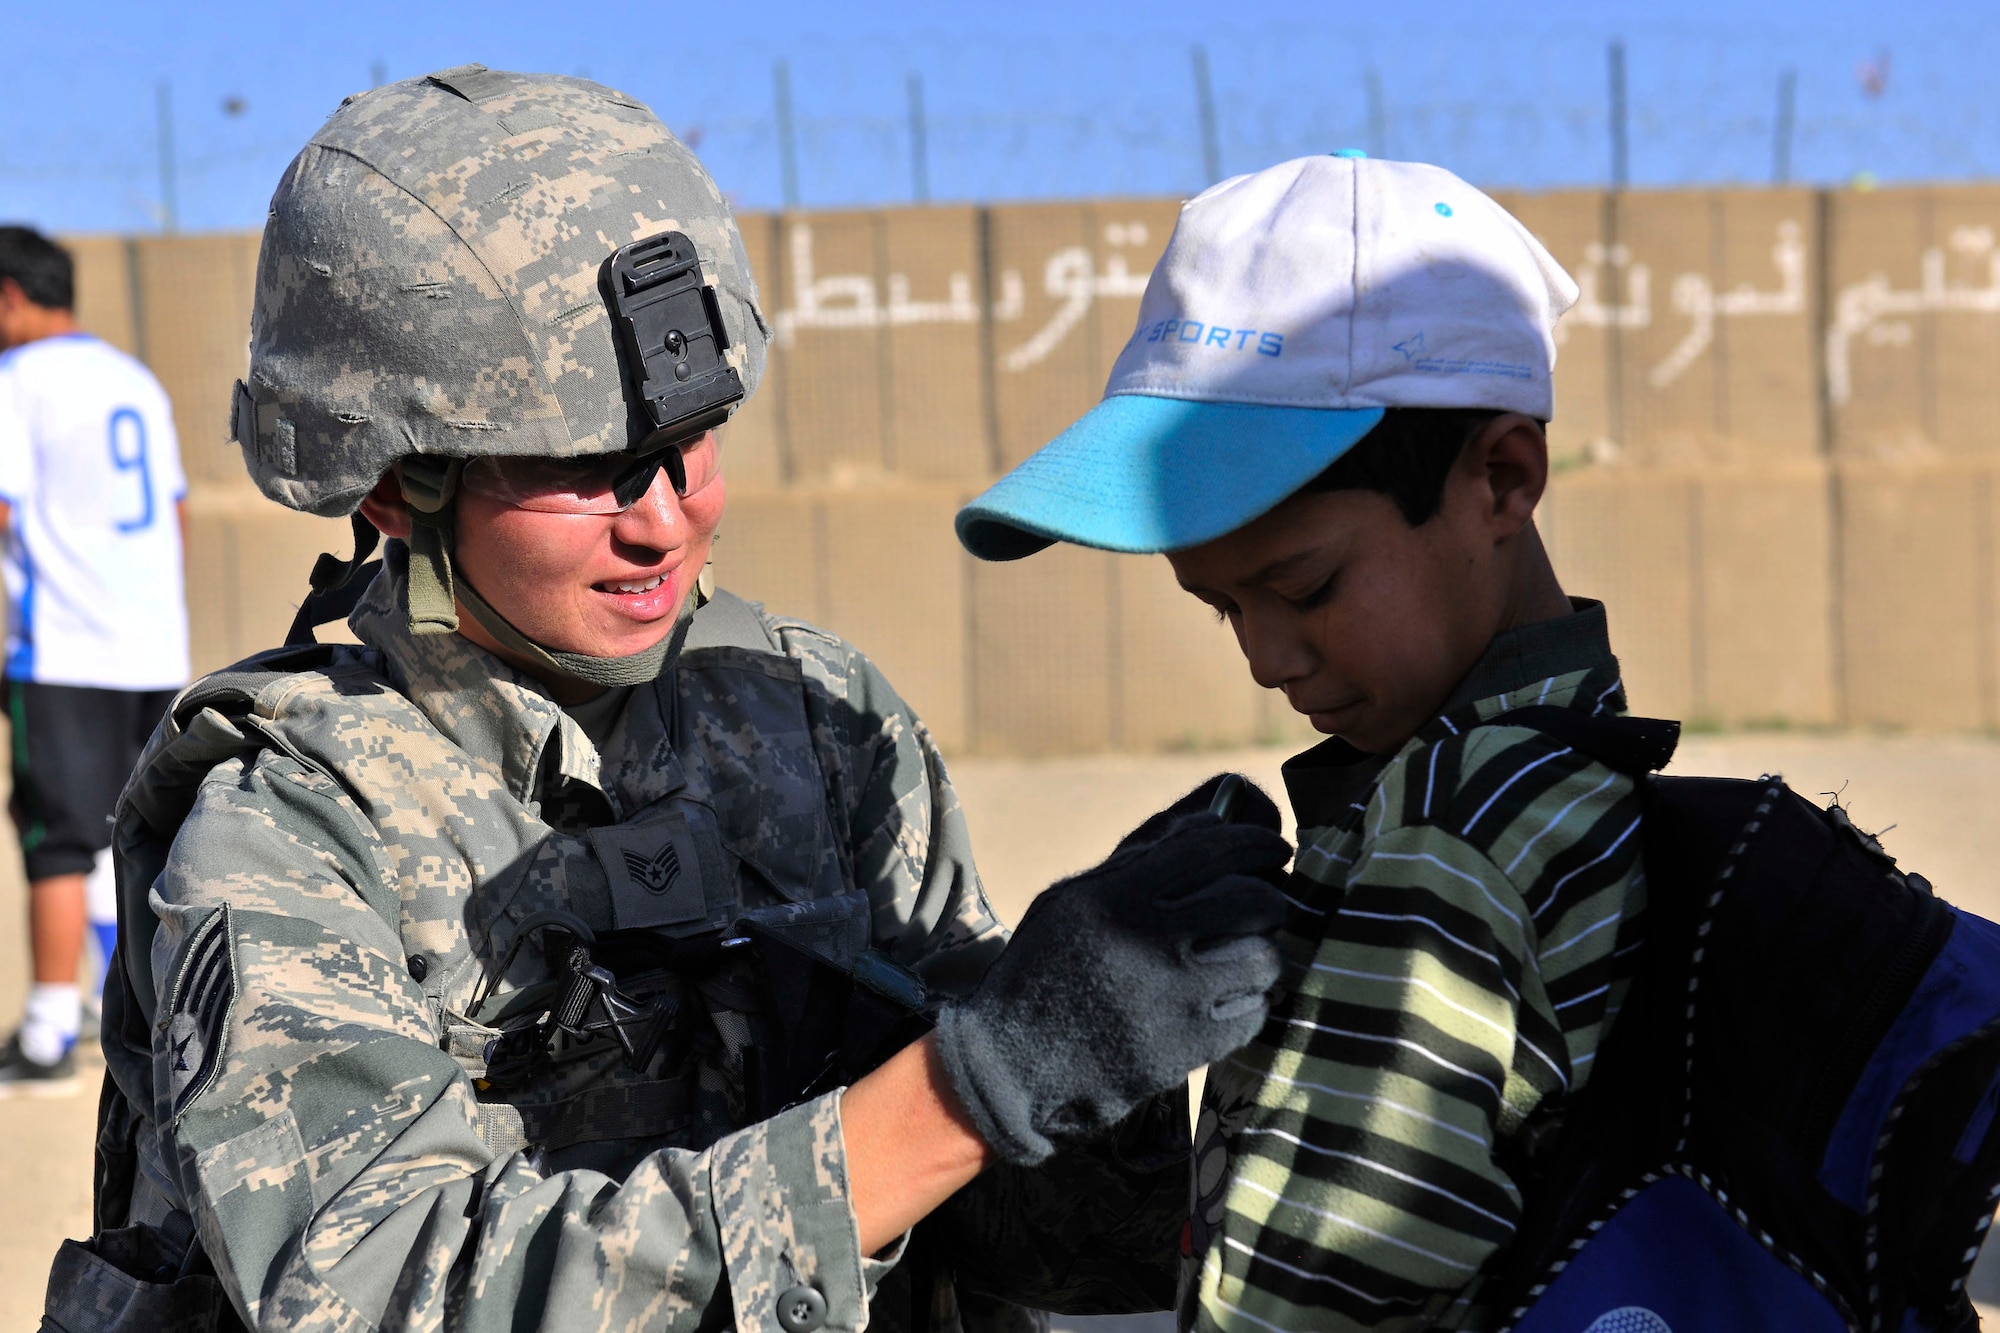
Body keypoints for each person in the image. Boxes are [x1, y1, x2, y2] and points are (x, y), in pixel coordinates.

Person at [43, 67, 1295, 1333]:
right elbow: (380, 1295)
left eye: (688, 437)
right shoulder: (288, 831)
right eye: (586, 467)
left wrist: (1099, 1056)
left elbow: (1039, 1259)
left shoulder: (808, 718)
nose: (663, 518)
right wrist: (975, 1087)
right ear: (393, 492)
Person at [956, 154, 1638, 1331]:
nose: (1265, 658)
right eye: (1220, 606)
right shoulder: (1546, 783)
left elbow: (1289, 1303)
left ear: (1503, 477)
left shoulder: (1448, 844)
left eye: (1303, 584)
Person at [0, 226, 189, 1093]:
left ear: (8, 297)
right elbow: (174, 514)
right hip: (151, 642)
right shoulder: (134, 379)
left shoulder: (18, 381)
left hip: (65, 645)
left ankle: (46, 1030)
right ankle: (141, 1011)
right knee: (132, 831)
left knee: (56, 839)